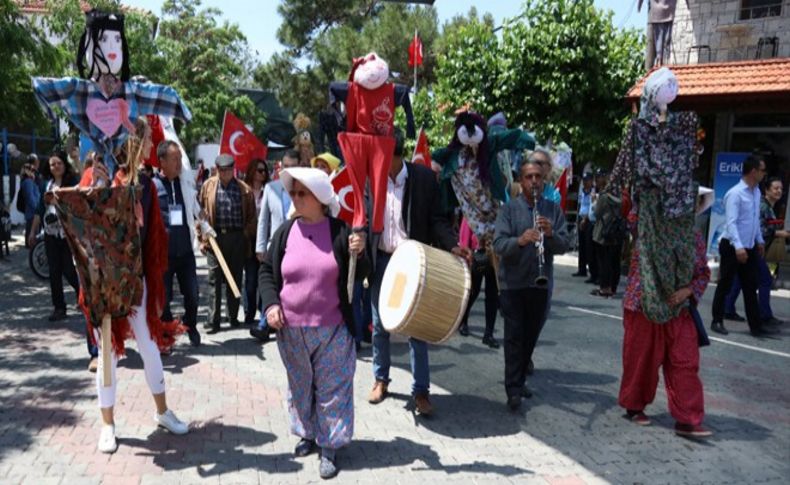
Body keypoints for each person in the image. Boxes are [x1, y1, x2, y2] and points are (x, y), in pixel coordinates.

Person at [82, 121, 189, 454]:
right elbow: (78, 219)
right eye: (144, 140)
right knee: (107, 355)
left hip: (136, 281)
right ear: (131, 143)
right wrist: (94, 187)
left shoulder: (145, 185)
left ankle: (162, 412)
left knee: (150, 346)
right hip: (104, 282)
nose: (149, 146)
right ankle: (108, 424)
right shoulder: (97, 176)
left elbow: (151, 239)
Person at [258, 167, 369, 480]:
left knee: (333, 389)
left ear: (320, 198)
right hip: (291, 329)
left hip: (333, 328)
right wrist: (270, 305)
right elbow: (267, 272)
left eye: (301, 193)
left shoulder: (342, 232)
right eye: (292, 193)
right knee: (301, 386)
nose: (294, 198)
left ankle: (330, 445)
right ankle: (308, 434)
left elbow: (360, 275)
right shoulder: (285, 232)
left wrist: (359, 255)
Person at [368, 128, 471, 416]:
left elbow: (438, 220)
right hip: (381, 260)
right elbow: (362, 217)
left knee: (416, 326)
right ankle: (380, 379)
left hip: (412, 262)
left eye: (383, 155)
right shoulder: (371, 179)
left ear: (395, 154)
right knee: (379, 325)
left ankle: (421, 391)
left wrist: (453, 245)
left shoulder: (424, 179)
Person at [618, 188, 713, 438]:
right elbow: (633, 216)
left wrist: (688, 291)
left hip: (678, 309)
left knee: (685, 362)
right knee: (641, 360)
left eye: (695, 202)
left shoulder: (694, 237)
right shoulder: (649, 225)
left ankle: (688, 418)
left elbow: (703, 273)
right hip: (643, 303)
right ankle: (634, 405)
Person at [493, 159, 569, 411]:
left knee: (530, 336)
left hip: (539, 283)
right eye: (529, 177)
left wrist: (551, 235)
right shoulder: (508, 210)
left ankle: (520, 377)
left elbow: (564, 245)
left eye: (538, 177)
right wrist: (521, 240)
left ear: (543, 180)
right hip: (513, 284)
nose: (534, 181)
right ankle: (513, 389)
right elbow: (499, 245)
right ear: (521, 181)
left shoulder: (553, 209)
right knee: (514, 337)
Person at [710, 156, 777, 337]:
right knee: (725, 284)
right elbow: (731, 223)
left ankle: (756, 327)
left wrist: (759, 241)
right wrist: (739, 248)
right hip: (732, 245)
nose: (764, 174)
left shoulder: (756, 192)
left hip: (749, 246)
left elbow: (753, 220)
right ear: (753, 171)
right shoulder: (735, 193)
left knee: (750, 286)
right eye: (762, 170)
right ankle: (717, 320)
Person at [198, 154, 257, 334]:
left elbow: (252, 217)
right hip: (215, 238)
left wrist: (245, 235)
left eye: (228, 170)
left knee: (235, 278)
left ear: (233, 169)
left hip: (237, 238)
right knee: (214, 279)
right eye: (222, 170)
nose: (225, 174)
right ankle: (213, 320)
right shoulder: (208, 187)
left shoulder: (244, 189)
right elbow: (199, 214)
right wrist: (202, 238)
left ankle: (232, 316)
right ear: (216, 169)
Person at [722, 176, 788, 328]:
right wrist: (779, 234)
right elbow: (757, 228)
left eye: (781, 189)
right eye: (775, 188)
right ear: (766, 190)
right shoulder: (762, 206)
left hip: (751, 247)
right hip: (750, 247)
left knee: (740, 278)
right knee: (765, 280)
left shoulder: (767, 206)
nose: (779, 191)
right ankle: (764, 315)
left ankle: (727, 308)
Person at [153, 140, 201, 346]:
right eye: (174, 159)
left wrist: (203, 223)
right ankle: (167, 332)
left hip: (186, 252)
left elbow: (197, 210)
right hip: (163, 255)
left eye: (180, 158)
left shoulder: (185, 184)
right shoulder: (152, 187)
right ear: (161, 161)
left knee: (192, 294)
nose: (179, 163)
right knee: (164, 299)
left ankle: (191, 325)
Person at [251, 149, 300, 341]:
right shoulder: (271, 188)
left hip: (298, 245)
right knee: (271, 283)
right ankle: (265, 322)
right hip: (275, 246)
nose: (288, 171)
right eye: (285, 167)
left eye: (292, 167)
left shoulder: (305, 190)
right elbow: (263, 220)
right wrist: (260, 247)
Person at [27, 150, 80, 321]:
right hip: (50, 233)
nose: (56, 166)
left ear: (64, 164)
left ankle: (84, 295)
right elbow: (38, 210)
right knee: (54, 271)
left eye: (58, 163)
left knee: (68, 269)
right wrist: (33, 231)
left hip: (67, 233)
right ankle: (59, 307)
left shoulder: (72, 182)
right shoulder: (45, 184)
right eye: (52, 164)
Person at [457, 217, 500, 348]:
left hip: (495, 255)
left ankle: (489, 334)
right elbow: (466, 229)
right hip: (477, 255)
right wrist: (466, 250)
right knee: (473, 291)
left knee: (492, 296)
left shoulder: (498, 208)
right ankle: (463, 320)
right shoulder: (473, 206)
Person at [242, 158, 269, 326]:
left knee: (263, 278)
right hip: (249, 240)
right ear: (252, 171)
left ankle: (263, 311)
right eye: (260, 170)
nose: (263, 173)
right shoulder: (244, 190)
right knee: (251, 279)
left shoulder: (269, 190)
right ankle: (248, 311)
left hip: (265, 239)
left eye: (264, 170)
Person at [591, 174, 624, 298]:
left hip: (603, 233)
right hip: (616, 232)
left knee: (603, 261)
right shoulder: (621, 196)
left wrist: (594, 201)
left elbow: (597, 213)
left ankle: (605, 288)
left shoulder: (604, 197)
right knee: (615, 262)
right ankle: (613, 287)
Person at [573, 172, 594, 278]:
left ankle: (592, 270)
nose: (585, 182)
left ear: (591, 181)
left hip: (589, 220)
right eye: (584, 180)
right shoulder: (582, 191)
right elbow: (580, 205)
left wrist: (585, 219)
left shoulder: (593, 192)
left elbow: (591, 207)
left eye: (587, 180)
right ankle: (581, 269)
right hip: (581, 218)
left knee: (589, 245)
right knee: (581, 245)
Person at [19, 160, 41, 246]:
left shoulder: (29, 181)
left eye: (33, 170)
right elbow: (30, 198)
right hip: (32, 213)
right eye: (31, 170)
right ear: (26, 171)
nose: (33, 172)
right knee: (32, 237)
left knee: (32, 234)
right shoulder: (28, 182)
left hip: (31, 212)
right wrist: (37, 209)